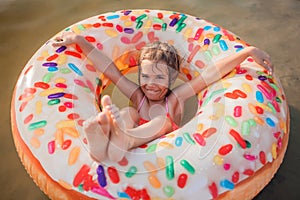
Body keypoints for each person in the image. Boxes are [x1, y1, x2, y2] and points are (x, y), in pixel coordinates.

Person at [52, 32, 273, 162]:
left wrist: (247, 52)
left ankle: (123, 138)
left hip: (161, 144)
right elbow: (110, 70)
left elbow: (209, 74)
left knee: (161, 120)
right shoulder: (137, 95)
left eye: (159, 77)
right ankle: (103, 145)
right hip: (124, 138)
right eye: (145, 75)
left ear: (172, 79)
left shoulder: (175, 98)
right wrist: (79, 40)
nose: (150, 83)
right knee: (128, 112)